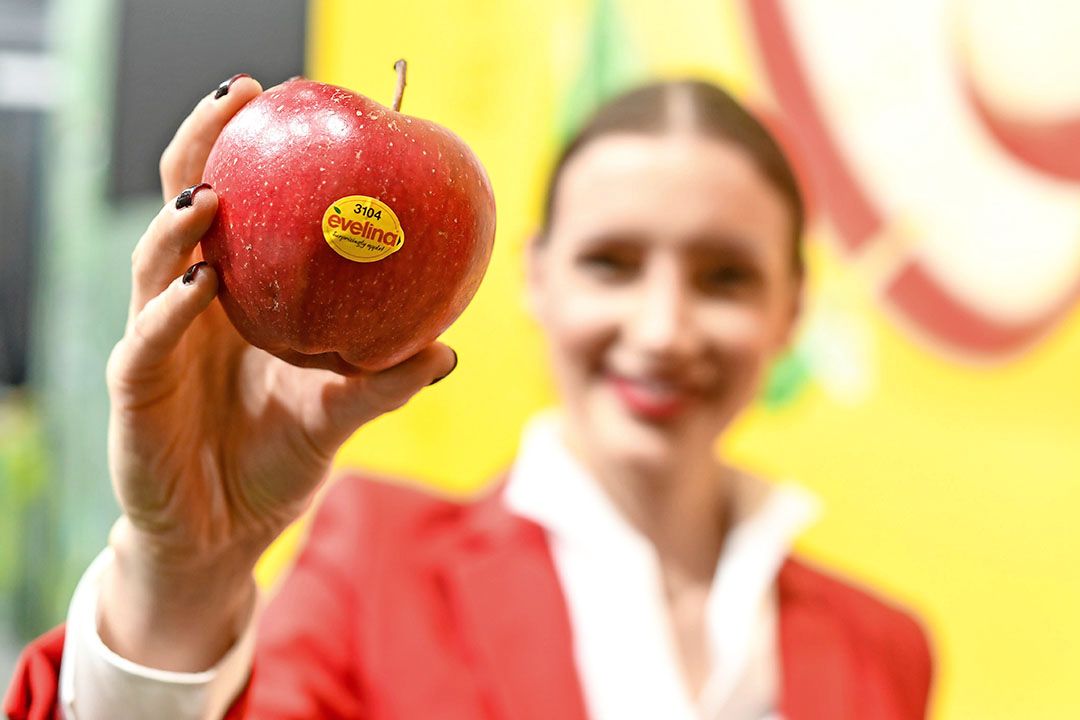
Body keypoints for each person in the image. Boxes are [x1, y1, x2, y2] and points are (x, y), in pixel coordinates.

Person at [4, 73, 934, 720]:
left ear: (791, 310)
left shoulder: (883, 650)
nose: (661, 329)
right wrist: (181, 574)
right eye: (610, 263)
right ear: (534, 280)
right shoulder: (374, 568)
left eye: (725, 277)